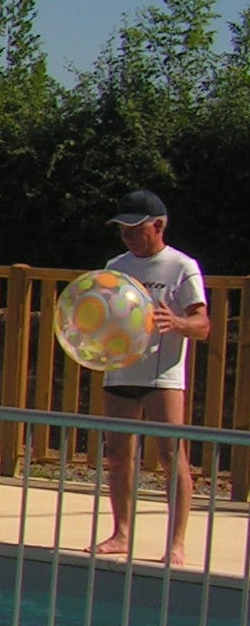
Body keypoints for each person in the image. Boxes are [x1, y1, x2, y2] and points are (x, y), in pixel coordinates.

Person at [91, 190, 209, 565]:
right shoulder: (115, 266)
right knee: (117, 454)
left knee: (171, 455)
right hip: (120, 371)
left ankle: (176, 543)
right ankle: (121, 533)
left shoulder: (181, 266)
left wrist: (177, 322)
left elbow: (202, 324)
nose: (127, 236)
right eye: (122, 229)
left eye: (134, 228)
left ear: (158, 226)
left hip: (162, 376)